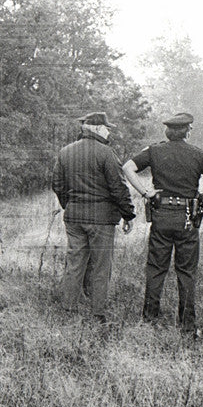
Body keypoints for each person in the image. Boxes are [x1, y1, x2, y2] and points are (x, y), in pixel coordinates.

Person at [122, 113, 203, 335]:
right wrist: (202, 197)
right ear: (188, 131)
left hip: (161, 216)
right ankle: (187, 325)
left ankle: (150, 320)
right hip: (188, 218)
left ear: (167, 132)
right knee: (186, 272)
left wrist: (146, 192)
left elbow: (127, 168)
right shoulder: (198, 155)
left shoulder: (154, 151)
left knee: (156, 269)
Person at [51, 112, 136, 323]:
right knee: (100, 266)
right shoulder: (107, 153)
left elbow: (57, 185)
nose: (109, 131)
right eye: (107, 127)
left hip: (74, 217)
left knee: (74, 264)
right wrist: (128, 214)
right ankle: (97, 313)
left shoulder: (65, 152)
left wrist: (69, 206)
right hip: (101, 219)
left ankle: (67, 309)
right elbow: (118, 188)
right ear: (97, 128)